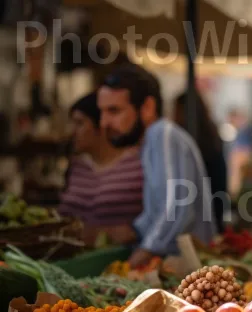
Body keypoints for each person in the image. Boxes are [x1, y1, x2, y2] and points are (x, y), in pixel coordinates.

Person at [97, 64, 217, 267]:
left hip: (190, 271)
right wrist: (133, 230)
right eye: (102, 112)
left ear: (147, 108)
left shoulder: (163, 135)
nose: (104, 123)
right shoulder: (151, 142)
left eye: (114, 111)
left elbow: (175, 209)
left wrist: (140, 255)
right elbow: (158, 212)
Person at [59, 92, 143, 246]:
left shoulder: (137, 163)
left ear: (101, 125)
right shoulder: (77, 165)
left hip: (123, 261)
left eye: (80, 123)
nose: (72, 131)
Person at [174, 91, 227, 233]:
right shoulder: (212, 136)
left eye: (176, 110)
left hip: (198, 219)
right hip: (212, 213)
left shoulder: (187, 142)